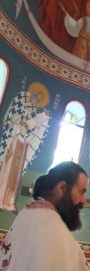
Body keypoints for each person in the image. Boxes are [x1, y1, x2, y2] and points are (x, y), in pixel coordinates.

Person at [0, 83, 51, 212]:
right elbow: (12, 115)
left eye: (39, 99)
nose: (36, 99)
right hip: (12, 139)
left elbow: (31, 125)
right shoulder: (21, 98)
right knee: (5, 168)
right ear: (33, 93)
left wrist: (42, 118)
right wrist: (19, 123)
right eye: (37, 96)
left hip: (21, 143)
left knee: (14, 173)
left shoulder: (33, 110)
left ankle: (8, 202)